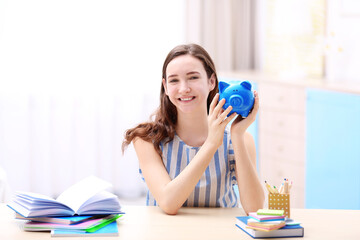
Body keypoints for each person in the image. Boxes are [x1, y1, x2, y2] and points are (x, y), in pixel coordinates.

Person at [122, 44, 264, 215]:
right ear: (165, 87)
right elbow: (168, 203)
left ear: (212, 82)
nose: (184, 88)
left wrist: (237, 135)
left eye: (193, 77)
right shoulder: (146, 139)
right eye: (174, 80)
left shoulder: (240, 140)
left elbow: (255, 210)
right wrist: (211, 144)